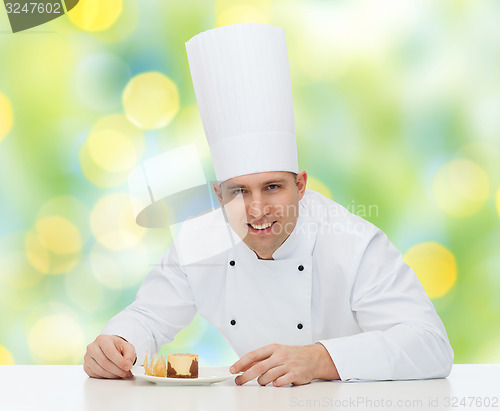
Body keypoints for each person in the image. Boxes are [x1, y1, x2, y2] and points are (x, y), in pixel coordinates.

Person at [84, 23, 453, 386]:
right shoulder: (200, 241)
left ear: (301, 185)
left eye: (272, 187)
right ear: (219, 195)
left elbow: (431, 344)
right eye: (238, 192)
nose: (257, 210)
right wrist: (118, 344)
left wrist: (320, 358)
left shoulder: (353, 244)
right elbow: (148, 317)